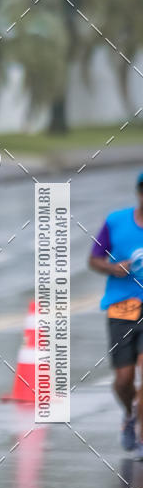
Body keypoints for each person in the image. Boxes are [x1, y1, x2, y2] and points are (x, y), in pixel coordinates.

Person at [89, 171, 143, 458]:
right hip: (121, 306)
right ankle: (130, 412)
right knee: (124, 379)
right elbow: (94, 259)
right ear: (139, 192)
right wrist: (112, 268)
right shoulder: (116, 222)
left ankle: (142, 434)